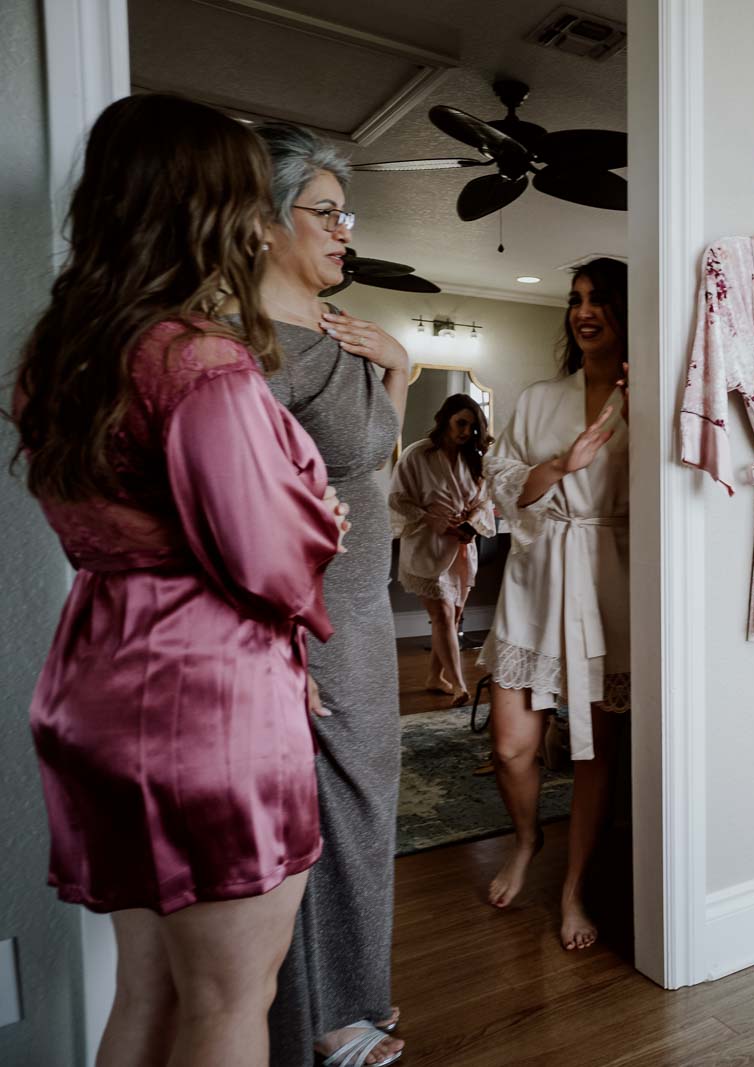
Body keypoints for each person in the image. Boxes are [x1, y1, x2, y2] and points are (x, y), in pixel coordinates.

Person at [13, 93, 344, 1067]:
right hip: (206, 693)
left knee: (150, 987)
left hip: (95, 679)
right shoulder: (201, 362)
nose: (254, 224)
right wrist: (321, 514)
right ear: (204, 210)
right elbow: (270, 549)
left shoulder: (62, 356)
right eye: (244, 200)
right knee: (232, 999)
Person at [246, 122, 409, 1067]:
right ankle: (319, 1018)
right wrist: (280, 633)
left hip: (359, 609)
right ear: (266, 223)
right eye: (327, 212)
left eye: (350, 214)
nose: (347, 230)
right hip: (303, 617)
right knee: (314, 812)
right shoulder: (253, 347)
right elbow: (236, 501)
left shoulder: (335, 332)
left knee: (361, 801)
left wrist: (393, 361)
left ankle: (353, 995)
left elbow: (364, 463)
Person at [480, 257, 629, 951]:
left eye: (598, 299)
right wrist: (561, 465)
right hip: (536, 575)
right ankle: (528, 836)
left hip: (609, 579)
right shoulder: (541, 397)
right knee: (512, 742)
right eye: (575, 299)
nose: (582, 310)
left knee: (595, 749)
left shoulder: (650, 396)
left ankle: (572, 889)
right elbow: (502, 479)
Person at [390, 395, 496, 705]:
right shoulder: (417, 454)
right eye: (461, 423)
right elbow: (397, 499)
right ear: (445, 418)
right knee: (443, 615)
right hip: (427, 544)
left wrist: (472, 521)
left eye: (472, 426)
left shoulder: (472, 458)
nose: (466, 431)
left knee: (453, 616)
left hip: (461, 545)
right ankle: (461, 686)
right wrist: (431, 517)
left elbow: (484, 501)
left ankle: (434, 676)